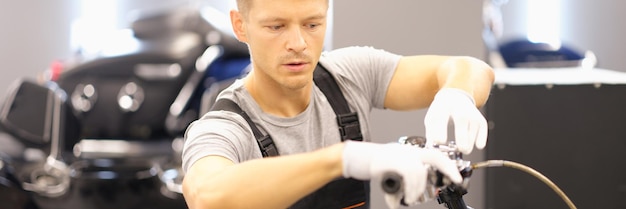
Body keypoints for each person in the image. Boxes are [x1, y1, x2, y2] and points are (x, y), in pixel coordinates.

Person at [181, 0, 495, 208]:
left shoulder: (348, 75)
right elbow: (206, 195)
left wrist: (458, 93)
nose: (298, 44)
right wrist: (343, 159)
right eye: (276, 27)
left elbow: (471, 68)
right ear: (240, 25)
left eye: (312, 24)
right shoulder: (224, 126)